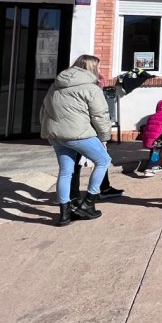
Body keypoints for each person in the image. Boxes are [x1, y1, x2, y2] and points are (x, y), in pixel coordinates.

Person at [40, 54, 113, 227]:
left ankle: (64, 214)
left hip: (56, 135)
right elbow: (100, 115)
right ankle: (88, 203)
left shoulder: (55, 85)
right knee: (103, 161)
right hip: (79, 134)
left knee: (66, 171)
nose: (99, 71)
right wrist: (104, 138)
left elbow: (44, 109)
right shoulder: (91, 88)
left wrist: (47, 131)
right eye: (98, 67)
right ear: (90, 68)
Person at [138, 98, 162, 177]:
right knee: (156, 153)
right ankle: (149, 168)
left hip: (149, 139)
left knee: (153, 152)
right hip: (158, 139)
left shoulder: (152, 116)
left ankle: (155, 165)